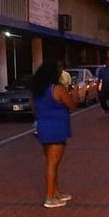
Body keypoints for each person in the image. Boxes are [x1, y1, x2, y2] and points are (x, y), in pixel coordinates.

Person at [32, 60, 78, 208]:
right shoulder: (57, 89)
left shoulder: (38, 90)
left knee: (52, 162)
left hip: (43, 127)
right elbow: (72, 105)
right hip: (57, 128)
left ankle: (56, 192)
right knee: (53, 164)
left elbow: (33, 108)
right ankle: (50, 197)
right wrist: (74, 92)